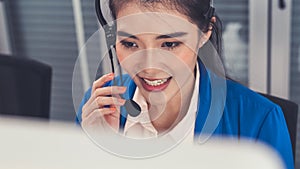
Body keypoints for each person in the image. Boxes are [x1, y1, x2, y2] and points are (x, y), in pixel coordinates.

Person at [76, 0, 293, 168]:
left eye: (169, 44)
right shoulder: (99, 107)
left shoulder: (259, 121)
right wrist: (94, 153)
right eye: (130, 43)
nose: (149, 67)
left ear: (204, 33)